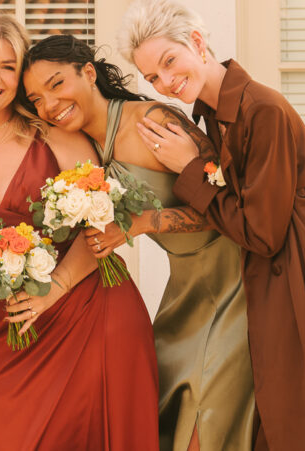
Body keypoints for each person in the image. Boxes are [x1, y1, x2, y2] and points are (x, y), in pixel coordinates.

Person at [118, 0, 305, 451]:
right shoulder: (213, 117)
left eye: (170, 62)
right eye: (152, 77)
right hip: (275, 289)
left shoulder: (262, 110)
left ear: (197, 42)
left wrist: (190, 168)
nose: (166, 82)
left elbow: (262, 232)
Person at [21, 34, 254, 451]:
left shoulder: (152, 124)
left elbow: (226, 210)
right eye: (36, 99)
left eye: (56, 84)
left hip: (232, 287)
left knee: (206, 417)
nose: (49, 105)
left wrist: (140, 223)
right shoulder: (85, 151)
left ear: (88, 73)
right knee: (166, 419)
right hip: (185, 291)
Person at [0, 14, 160, 451]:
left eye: (8, 66)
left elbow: (100, 222)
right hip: (4, 329)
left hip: (90, 314)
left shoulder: (55, 137)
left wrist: (52, 288)